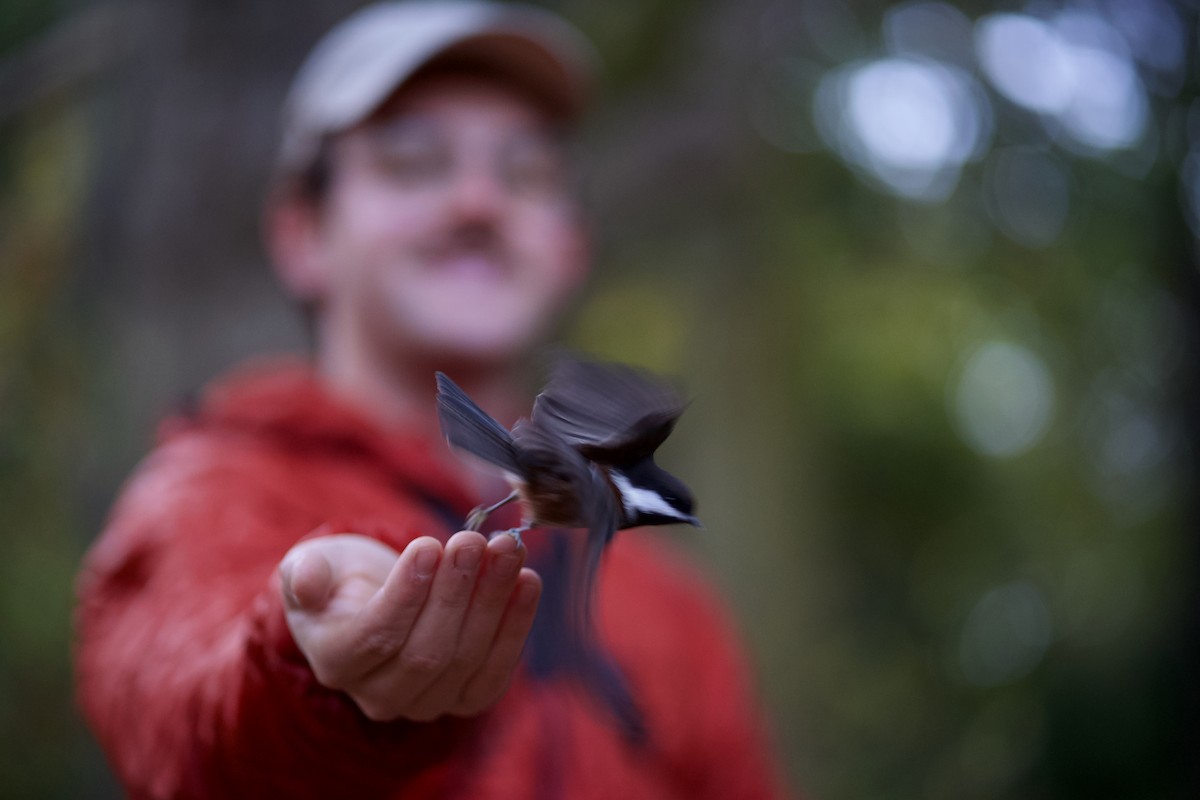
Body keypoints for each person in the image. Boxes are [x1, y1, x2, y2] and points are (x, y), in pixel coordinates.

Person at [74, 2, 789, 797]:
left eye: (527, 174)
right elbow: (183, 704)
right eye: (413, 161)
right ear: (303, 233)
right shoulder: (208, 497)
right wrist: (310, 665)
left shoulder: (671, 605)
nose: (479, 202)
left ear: (570, 247)